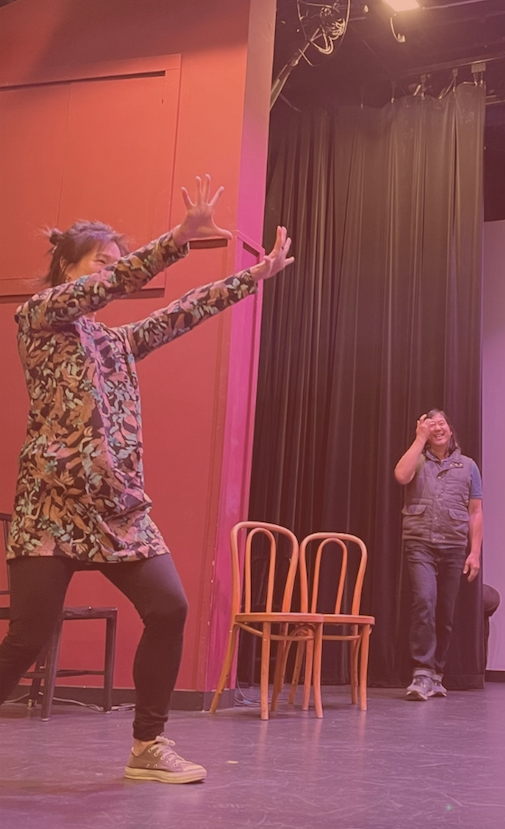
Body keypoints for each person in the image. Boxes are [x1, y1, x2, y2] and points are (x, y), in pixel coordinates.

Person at [0, 176, 294, 784]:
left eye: (117, 261)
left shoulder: (114, 342)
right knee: (27, 638)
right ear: (68, 267)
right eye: (101, 261)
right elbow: (113, 285)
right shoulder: (39, 317)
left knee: (169, 607)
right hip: (51, 507)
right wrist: (179, 237)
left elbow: (181, 313)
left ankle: (148, 745)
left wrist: (252, 277)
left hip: (118, 510)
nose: (112, 271)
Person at [394, 409, 483, 701]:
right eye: (430, 425)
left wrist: (474, 553)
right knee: (424, 601)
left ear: (450, 429)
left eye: (441, 422)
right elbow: (401, 475)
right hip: (420, 542)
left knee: (444, 611)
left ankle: (436, 674)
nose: (437, 428)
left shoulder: (468, 466)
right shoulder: (418, 458)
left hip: (454, 546)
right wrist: (419, 439)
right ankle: (421, 673)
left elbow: (476, 512)